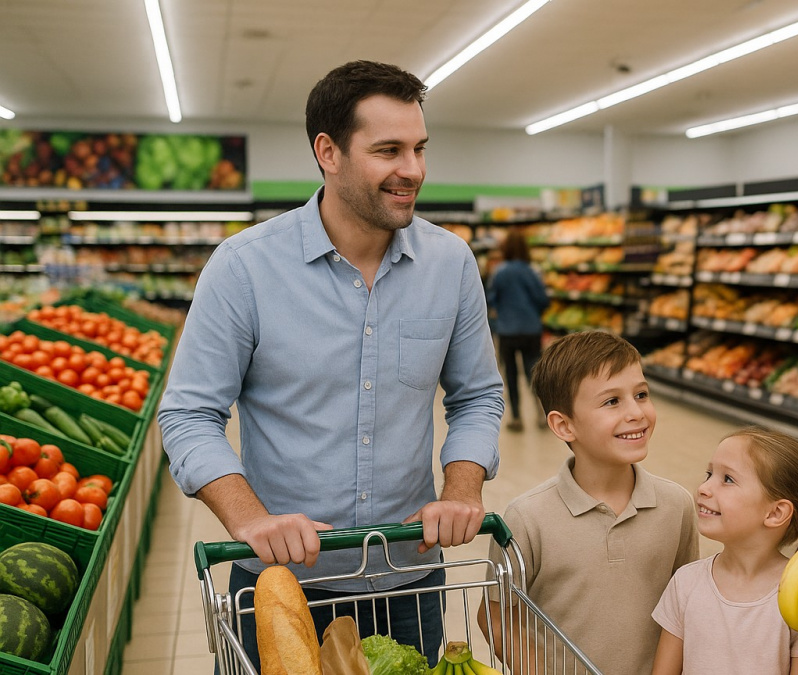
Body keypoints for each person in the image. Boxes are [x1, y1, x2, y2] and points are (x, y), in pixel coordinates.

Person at [157, 60, 505, 666]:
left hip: (409, 579)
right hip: (282, 584)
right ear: (329, 152)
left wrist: (462, 487)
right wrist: (252, 520)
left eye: (420, 148)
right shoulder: (243, 269)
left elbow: (477, 396)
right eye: (389, 150)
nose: (414, 171)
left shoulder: (451, 264)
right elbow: (188, 415)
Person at [477, 330, 699, 675]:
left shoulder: (676, 506)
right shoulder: (527, 518)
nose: (636, 412)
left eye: (641, 394)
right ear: (564, 426)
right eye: (612, 401)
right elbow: (496, 616)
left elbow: (685, 607)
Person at [651, 426, 798, 675]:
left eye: (728, 479)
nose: (704, 488)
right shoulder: (685, 584)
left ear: (775, 513)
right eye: (709, 473)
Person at [486, 230, 548, 431]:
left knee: (510, 374)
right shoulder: (532, 271)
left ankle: (516, 417)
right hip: (531, 329)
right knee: (534, 372)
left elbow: (491, 299)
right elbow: (542, 299)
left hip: (507, 330)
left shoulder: (499, 272)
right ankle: (541, 414)